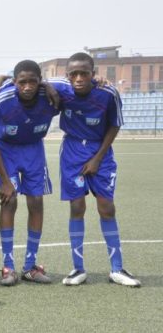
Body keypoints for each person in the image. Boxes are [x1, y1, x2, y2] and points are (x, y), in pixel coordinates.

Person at [48, 52, 140, 287]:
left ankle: (117, 269)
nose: (78, 78)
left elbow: (114, 125)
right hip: (72, 152)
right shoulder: (62, 86)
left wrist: (98, 158)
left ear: (93, 74)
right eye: (73, 74)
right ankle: (78, 269)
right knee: (77, 207)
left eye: (84, 73)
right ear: (67, 75)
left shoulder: (108, 93)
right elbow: (32, 78)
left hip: (101, 153)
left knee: (106, 207)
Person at [0, 60, 59, 286]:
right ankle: (8, 266)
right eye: (22, 82)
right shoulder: (4, 100)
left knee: (36, 201)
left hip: (34, 150)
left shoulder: (51, 97)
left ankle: (30, 265)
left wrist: (47, 85)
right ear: (15, 82)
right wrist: (5, 181)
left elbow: (80, 85)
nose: (27, 86)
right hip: (6, 151)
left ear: (40, 82)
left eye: (32, 81)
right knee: (9, 201)